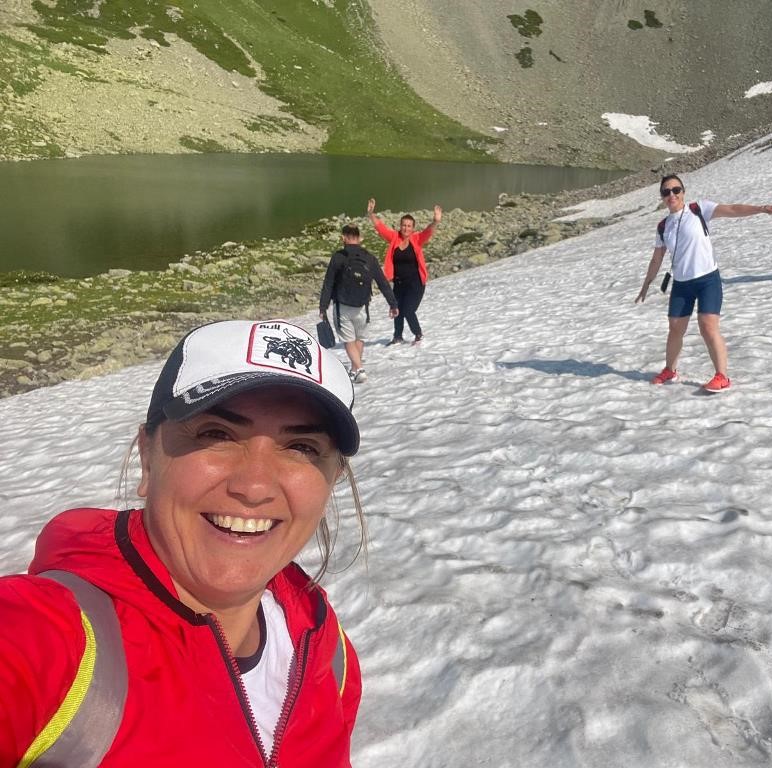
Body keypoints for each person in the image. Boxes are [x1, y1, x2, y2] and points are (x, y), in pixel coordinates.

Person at [0, 319, 364, 767]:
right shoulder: (47, 640)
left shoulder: (329, 652)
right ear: (148, 457)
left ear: (333, 478)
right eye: (217, 434)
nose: (254, 486)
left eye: (302, 447)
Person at [635, 174, 772, 391]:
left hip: (707, 279)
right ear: (662, 197)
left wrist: (764, 208)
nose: (671, 195)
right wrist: (646, 284)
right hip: (681, 284)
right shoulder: (663, 226)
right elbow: (656, 258)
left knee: (708, 327)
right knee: (675, 329)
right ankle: (670, 369)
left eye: (676, 190)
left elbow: (733, 210)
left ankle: (722, 376)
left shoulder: (699, 209)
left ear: (683, 192)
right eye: (666, 192)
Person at [320, 223, 399, 384]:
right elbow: (382, 282)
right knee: (359, 338)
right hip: (363, 306)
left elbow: (329, 283)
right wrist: (393, 304)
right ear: (359, 238)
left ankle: (359, 368)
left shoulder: (338, 257)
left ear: (344, 238)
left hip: (343, 306)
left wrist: (323, 306)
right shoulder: (369, 258)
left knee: (348, 340)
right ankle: (355, 370)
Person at [367, 197, 442, 346]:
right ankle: (397, 336)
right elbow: (380, 228)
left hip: (416, 283)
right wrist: (370, 213)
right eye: (404, 225)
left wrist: (436, 221)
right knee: (397, 310)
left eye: (409, 226)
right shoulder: (394, 238)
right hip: (399, 283)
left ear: (413, 228)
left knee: (408, 310)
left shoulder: (417, 239)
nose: (406, 228)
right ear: (400, 226)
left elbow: (428, 232)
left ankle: (418, 334)